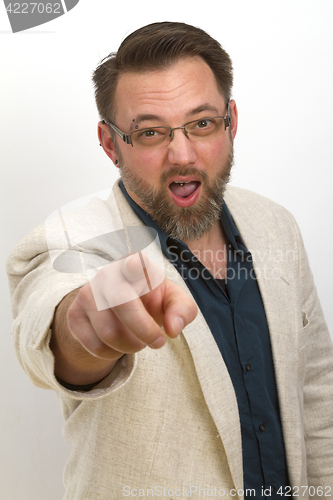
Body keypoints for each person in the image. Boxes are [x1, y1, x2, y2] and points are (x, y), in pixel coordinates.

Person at [6, 21, 333, 500]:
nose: (182, 154)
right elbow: (50, 326)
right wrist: (86, 329)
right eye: (151, 132)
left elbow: (316, 389)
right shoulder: (72, 239)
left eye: (201, 123)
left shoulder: (275, 224)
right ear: (110, 143)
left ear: (231, 121)